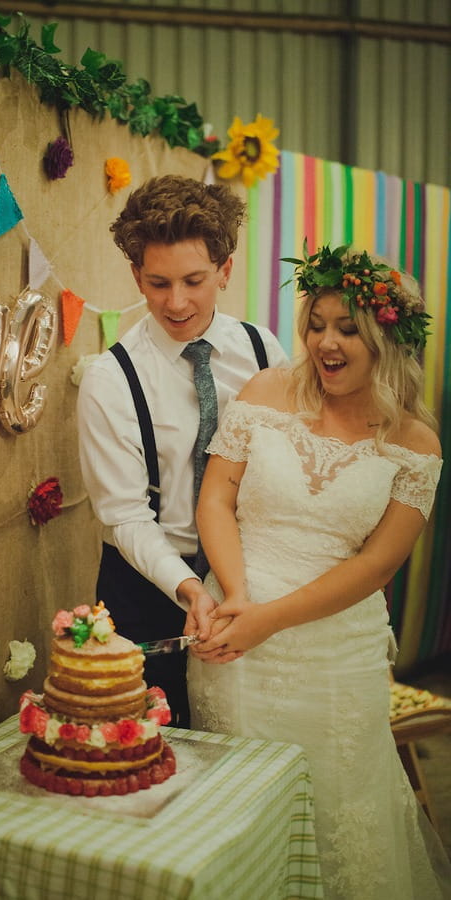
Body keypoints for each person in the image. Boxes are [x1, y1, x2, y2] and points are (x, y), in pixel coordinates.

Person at [186, 243, 450, 898]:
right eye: (317, 323)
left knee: (339, 805)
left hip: (335, 660)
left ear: (386, 336)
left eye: (347, 328)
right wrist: (240, 598)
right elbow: (216, 497)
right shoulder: (267, 390)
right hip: (232, 642)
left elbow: (373, 567)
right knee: (239, 811)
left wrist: (269, 619)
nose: (325, 342)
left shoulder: (416, 442)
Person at [77, 175, 288, 726]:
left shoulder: (266, 351)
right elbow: (123, 515)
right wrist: (190, 588)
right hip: (150, 590)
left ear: (225, 269)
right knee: (155, 755)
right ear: (135, 276)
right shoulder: (110, 378)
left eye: (194, 280)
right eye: (158, 282)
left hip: (256, 579)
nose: (176, 302)